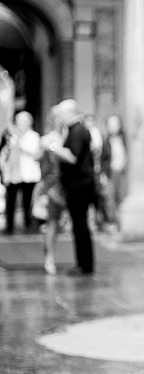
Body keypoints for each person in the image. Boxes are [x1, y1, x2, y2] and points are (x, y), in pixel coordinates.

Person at [49, 99, 96, 276]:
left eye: (60, 114)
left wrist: (52, 147)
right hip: (78, 182)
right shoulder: (76, 129)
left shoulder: (77, 130)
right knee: (78, 224)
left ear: (69, 113)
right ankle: (83, 263)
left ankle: (85, 265)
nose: (59, 117)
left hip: (79, 183)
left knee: (80, 224)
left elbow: (72, 156)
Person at [37, 107, 69, 275]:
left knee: (61, 224)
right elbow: (38, 158)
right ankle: (49, 257)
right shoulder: (47, 139)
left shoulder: (67, 136)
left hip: (67, 183)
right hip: (52, 185)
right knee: (53, 222)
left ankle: (49, 251)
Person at [0, 110, 41, 234]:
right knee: (10, 200)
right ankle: (9, 226)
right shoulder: (11, 137)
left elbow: (34, 152)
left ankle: (28, 224)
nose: (18, 124)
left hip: (27, 174)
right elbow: (5, 153)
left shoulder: (33, 136)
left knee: (27, 200)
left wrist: (18, 141)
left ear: (29, 123)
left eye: (21, 122)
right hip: (13, 174)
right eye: (17, 121)